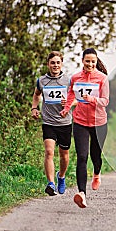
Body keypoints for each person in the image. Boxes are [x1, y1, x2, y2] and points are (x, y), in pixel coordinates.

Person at [60, 48, 109, 208]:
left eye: (93, 61)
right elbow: (71, 95)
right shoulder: (75, 78)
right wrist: (66, 109)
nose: (90, 64)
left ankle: (96, 173)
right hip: (80, 121)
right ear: (82, 61)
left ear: (96, 62)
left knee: (96, 155)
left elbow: (105, 101)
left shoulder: (102, 78)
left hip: (98, 122)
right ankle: (82, 194)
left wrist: (93, 99)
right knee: (82, 156)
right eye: (87, 61)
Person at [31, 51, 72, 196]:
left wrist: (68, 103)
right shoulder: (41, 81)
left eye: (58, 62)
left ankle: (61, 177)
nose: (55, 65)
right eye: (52, 63)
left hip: (65, 122)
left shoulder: (68, 81)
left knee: (64, 155)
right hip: (48, 122)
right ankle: (51, 184)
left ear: (61, 64)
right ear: (48, 64)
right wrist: (34, 108)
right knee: (49, 152)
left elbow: (76, 99)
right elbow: (36, 95)